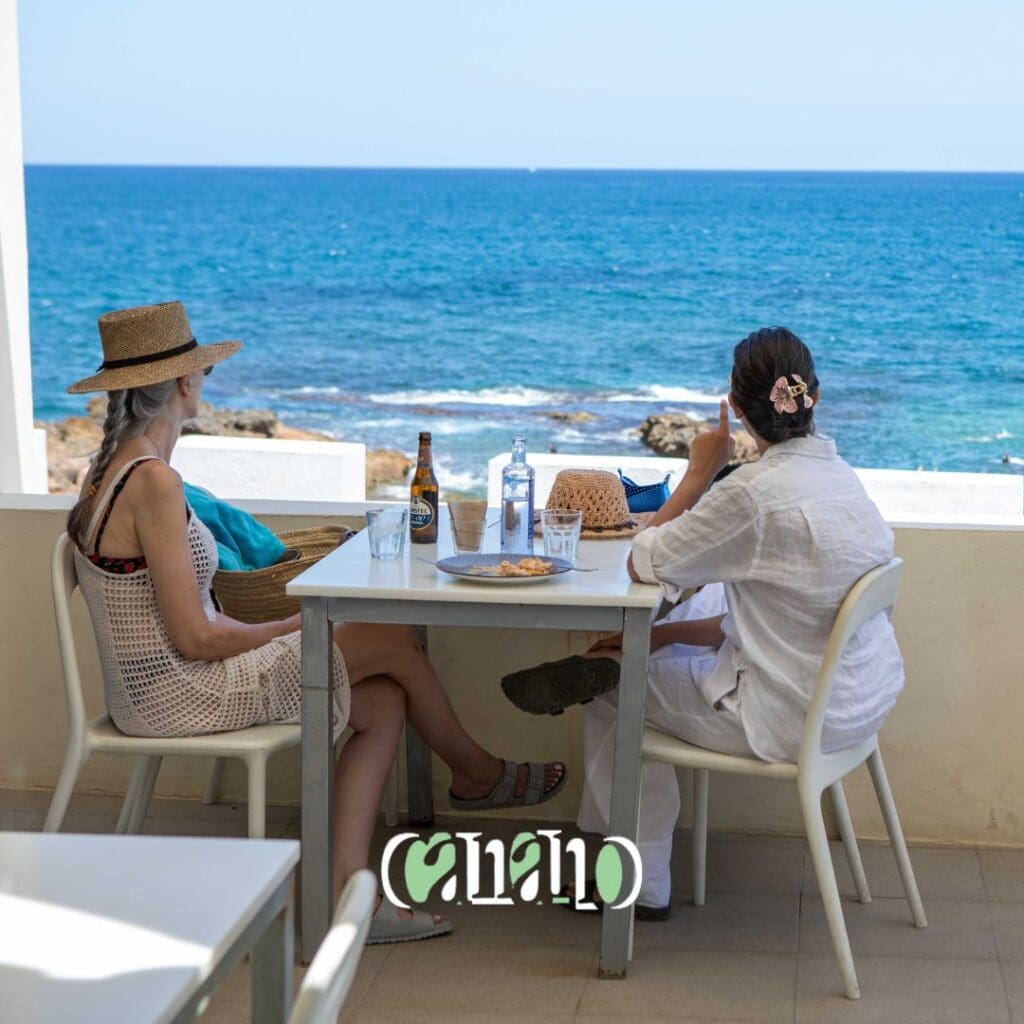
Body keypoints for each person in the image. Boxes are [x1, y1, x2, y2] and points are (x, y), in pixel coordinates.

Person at [66, 301, 566, 943]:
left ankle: (344, 892)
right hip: (182, 692)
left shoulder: (106, 473)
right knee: (390, 639)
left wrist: (297, 630)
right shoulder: (153, 483)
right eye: (203, 373)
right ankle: (477, 775)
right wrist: (296, 628)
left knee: (383, 700)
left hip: (153, 687)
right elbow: (197, 637)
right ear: (184, 384)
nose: (204, 384)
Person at [515, 326, 904, 917]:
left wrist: (699, 473)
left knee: (610, 694)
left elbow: (643, 561)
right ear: (813, 397)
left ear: (736, 408)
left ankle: (638, 883)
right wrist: (664, 635)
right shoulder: (842, 478)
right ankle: (609, 841)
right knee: (690, 612)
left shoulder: (751, 495)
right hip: (859, 703)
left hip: (786, 717)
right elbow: (776, 614)